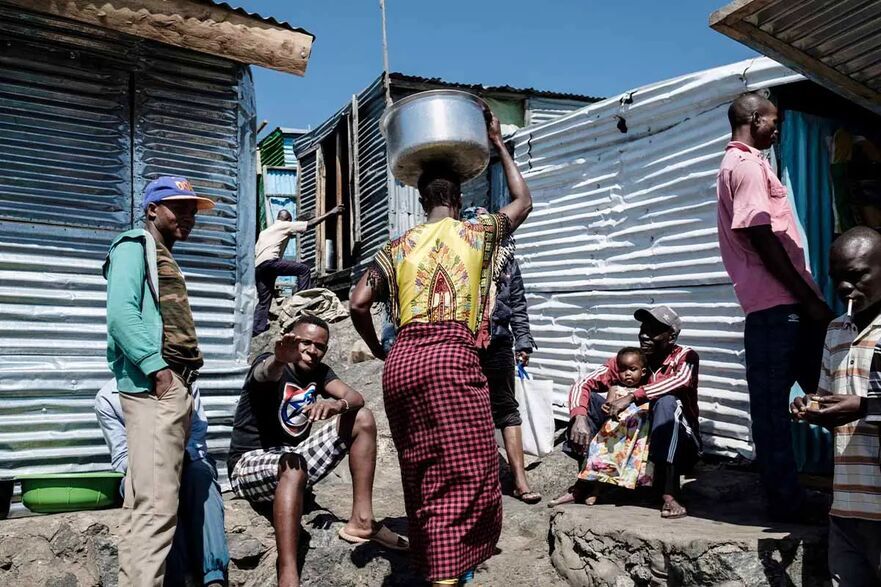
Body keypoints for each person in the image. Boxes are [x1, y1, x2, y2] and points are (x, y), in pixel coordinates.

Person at [349, 110, 533, 586]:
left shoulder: (395, 248)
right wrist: (497, 143)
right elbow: (523, 200)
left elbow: (358, 301)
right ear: (457, 197)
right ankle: (448, 576)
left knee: (423, 469)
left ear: (419, 196)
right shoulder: (478, 233)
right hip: (451, 356)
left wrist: (379, 351)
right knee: (471, 472)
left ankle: (437, 565)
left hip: (404, 364)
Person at [715, 92, 835, 521]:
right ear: (753, 118)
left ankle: (855, 485)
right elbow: (761, 237)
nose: (777, 127)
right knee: (772, 409)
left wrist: (810, 299)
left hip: (787, 306)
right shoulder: (745, 166)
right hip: (776, 307)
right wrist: (806, 299)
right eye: (773, 120)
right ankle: (787, 504)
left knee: (829, 395)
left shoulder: (750, 163)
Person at [227, 315, 407, 587]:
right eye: (305, 343)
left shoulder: (319, 372)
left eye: (320, 346)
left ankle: (362, 520)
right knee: (293, 462)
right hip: (249, 465)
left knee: (363, 417)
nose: (312, 351)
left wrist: (337, 406)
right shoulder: (271, 362)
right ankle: (288, 575)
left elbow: (355, 397)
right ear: (290, 339)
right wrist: (278, 359)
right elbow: (265, 373)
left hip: (292, 458)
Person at [104, 176, 213, 587]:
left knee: (144, 506)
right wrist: (158, 370)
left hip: (171, 389)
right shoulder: (133, 244)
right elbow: (121, 315)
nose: (189, 216)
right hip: (156, 391)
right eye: (178, 207)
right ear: (152, 209)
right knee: (155, 509)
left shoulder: (162, 254)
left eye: (193, 210)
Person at [790, 227, 881, 585]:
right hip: (847, 505)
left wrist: (860, 407)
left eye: (857, 275)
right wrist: (810, 408)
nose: (844, 287)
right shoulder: (835, 330)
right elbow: (829, 399)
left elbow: (857, 406)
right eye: (837, 278)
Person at [552, 307, 701, 519]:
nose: (645, 336)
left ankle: (670, 492)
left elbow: (680, 381)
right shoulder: (631, 359)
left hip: (679, 446)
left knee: (667, 403)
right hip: (632, 444)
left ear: (672, 336)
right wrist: (579, 416)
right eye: (643, 329)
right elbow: (582, 383)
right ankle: (585, 482)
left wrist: (632, 396)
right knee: (589, 404)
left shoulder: (686, 356)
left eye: (653, 331)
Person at [94, 379, 228, 586]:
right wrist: (158, 466)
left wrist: (175, 460)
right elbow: (121, 457)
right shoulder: (108, 398)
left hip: (188, 461)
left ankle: (214, 577)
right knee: (154, 492)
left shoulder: (184, 382)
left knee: (201, 477)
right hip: (142, 471)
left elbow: (197, 440)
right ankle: (175, 578)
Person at [573, 347, 654, 506]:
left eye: (633, 369)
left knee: (635, 464)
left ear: (643, 372)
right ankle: (595, 491)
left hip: (637, 436)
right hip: (615, 434)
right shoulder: (615, 388)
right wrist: (607, 407)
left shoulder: (645, 391)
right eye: (623, 370)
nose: (628, 373)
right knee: (604, 460)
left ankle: (631, 494)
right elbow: (608, 406)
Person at [252, 206, 344, 336]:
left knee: (263, 300)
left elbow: (257, 251)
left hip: (259, 267)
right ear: (288, 219)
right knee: (304, 270)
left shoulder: (265, 232)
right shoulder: (285, 225)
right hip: (271, 262)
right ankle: (302, 302)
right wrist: (331, 212)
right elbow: (310, 224)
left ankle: (256, 329)